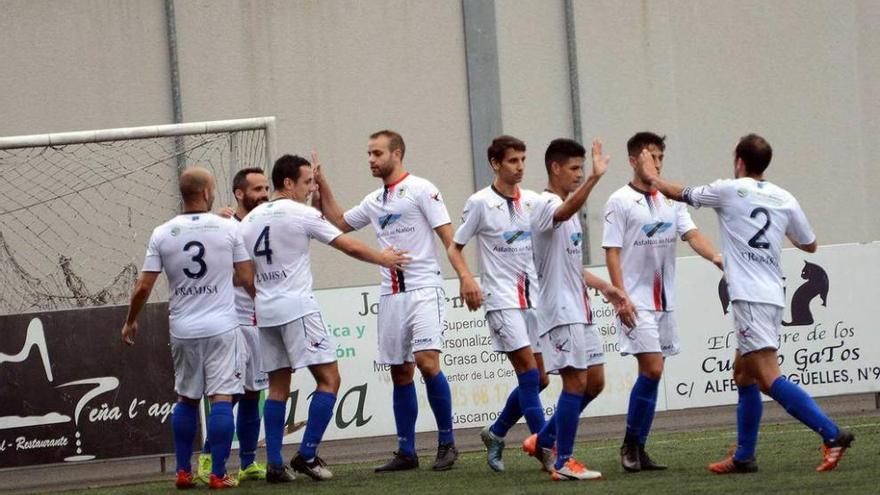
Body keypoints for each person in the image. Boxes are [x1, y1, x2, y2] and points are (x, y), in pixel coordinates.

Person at [635, 133, 854, 473]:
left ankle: (831, 433)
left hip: (749, 295)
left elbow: (679, 192)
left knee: (767, 378)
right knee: (743, 373)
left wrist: (651, 176)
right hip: (771, 293)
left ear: (739, 161)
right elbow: (808, 244)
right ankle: (744, 456)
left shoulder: (728, 189)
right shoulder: (784, 197)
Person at [239, 154, 409, 483]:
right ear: (288, 183)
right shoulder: (300, 214)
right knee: (330, 379)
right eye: (306, 183)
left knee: (277, 386)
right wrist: (384, 257)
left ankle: (274, 463)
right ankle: (307, 453)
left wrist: (261, 296)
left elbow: (243, 274)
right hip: (298, 308)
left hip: (266, 311)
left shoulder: (249, 221)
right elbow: (348, 245)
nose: (310, 189)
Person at [315, 130, 463, 472]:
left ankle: (447, 443)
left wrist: (466, 277)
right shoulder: (374, 200)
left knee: (427, 363)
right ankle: (406, 451)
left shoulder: (423, 189)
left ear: (397, 154)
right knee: (400, 371)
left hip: (425, 289)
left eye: (377, 153)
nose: (371, 159)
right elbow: (339, 222)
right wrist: (323, 185)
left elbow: (448, 237)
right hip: (391, 295)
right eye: (369, 153)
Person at [120, 167, 254, 490]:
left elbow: (142, 288)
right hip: (222, 327)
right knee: (222, 399)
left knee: (186, 399)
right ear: (207, 193)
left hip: (183, 328)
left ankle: (182, 471)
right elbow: (248, 279)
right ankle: (217, 474)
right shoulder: (228, 229)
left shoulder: (162, 233)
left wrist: (130, 320)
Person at [602, 132, 722, 472]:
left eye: (659, 157)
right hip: (635, 301)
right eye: (649, 156)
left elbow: (692, 235)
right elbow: (611, 252)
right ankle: (629, 444)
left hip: (664, 300)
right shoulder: (619, 200)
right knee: (652, 368)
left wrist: (716, 257)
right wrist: (620, 296)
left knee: (654, 373)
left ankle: (639, 447)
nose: (655, 162)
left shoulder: (671, 199)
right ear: (632, 160)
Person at [520, 138, 635, 481]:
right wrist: (596, 179)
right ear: (555, 168)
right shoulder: (544, 204)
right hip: (559, 312)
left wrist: (606, 287)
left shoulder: (567, 210)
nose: (579, 174)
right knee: (574, 384)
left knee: (594, 382)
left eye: (582, 168)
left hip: (580, 309)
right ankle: (563, 462)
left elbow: (570, 266)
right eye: (574, 168)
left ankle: (542, 439)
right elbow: (564, 212)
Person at [446, 135, 549, 472]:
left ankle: (496, 432)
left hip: (534, 299)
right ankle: (549, 449)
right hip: (501, 300)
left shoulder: (534, 200)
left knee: (541, 379)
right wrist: (466, 278)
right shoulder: (479, 203)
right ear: (495, 163)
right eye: (512, 161)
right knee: (529, 375)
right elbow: (454, 247)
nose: (519, 167)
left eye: (522, 160)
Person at [197, 167, 271, 483]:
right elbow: (211, 272)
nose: (264, 194)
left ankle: (249, 462)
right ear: (239, 194)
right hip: (235, 322)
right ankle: (207, 460)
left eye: (266, 188)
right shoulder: (225, 225)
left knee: (254, 392)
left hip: (262, 322)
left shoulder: (268, 221)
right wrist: (242, 280)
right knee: (232, 396)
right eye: (257, 189)